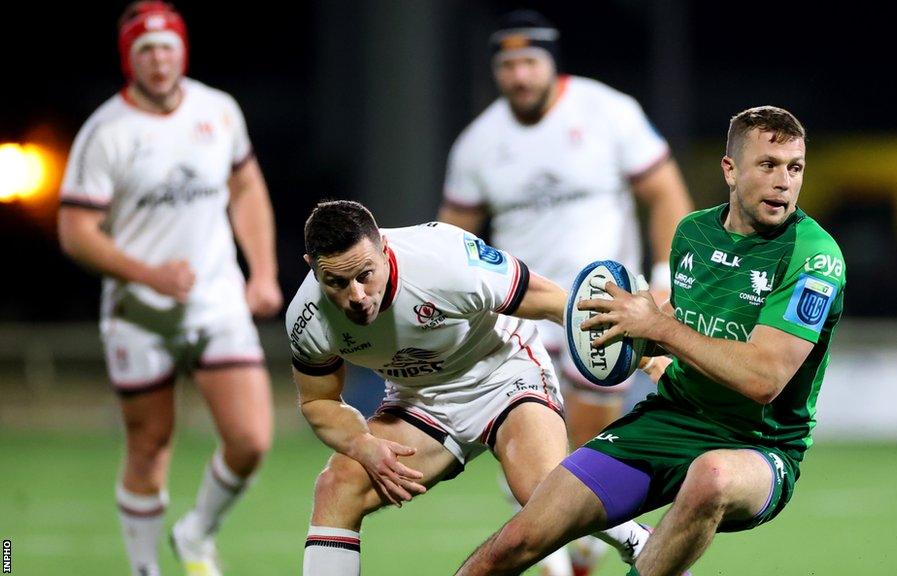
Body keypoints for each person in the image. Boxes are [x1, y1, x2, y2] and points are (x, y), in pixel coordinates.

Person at [456, 105, 846, 576]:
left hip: (759, 447)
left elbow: (763, 378)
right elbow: (689, 333)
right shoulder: (693, 233)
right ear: (730, 169)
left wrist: (658, 327)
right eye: (768, 165)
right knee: (519, 538)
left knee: (712, 476)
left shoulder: (816, 257)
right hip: (668, 421)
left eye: (795, 167)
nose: (784, 181)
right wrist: (632, 337)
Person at [438, 12, 692, 572]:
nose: (520, 76)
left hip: (603, 310)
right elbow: (451, 238)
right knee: (530, 446)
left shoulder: (608, 112)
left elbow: (666, 191)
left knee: (587, 453)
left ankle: (577, 550)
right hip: (520, 312)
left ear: (553, 63)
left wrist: (663, 280)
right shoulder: (478, 143)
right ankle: (563, 561)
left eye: (530, 63)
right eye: (507, 66)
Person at [288, 200, 655, 576]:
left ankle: (637, 541)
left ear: (384, 246)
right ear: (312, 268)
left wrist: (648, 358)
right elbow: (319, 400)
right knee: (337, 485)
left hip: (506, 376)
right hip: (420, 402)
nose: (357, 296)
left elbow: (552, 303)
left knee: (544, 494)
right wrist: (361, 444)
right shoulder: (308, 319)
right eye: (336, 282)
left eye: (365, 274)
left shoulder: (446, 260)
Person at [57, 2, 281, 574]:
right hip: (140, 312)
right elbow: (75, 231)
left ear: (182, 50)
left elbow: (246, 186)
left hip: (215, 302)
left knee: (252, 439)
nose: (159, 61)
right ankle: (144, 569)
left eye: (167, 47)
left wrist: (262, 272)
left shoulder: (218, 110)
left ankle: (195, 533)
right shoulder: (106, 132)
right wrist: (149, 274)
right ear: (129, 60)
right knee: (150, 444)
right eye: (145, 50)